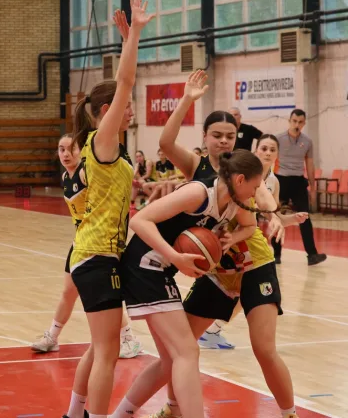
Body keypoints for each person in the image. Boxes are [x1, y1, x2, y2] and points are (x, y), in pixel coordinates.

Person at [110, 71, 305, 418]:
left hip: (253, 261)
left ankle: (289, 412)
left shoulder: (245, 171)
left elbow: (263, 200)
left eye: (230, 135)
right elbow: (166, 142)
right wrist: (187, 99)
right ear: (205, 137)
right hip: (216, 266)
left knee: (262, 349)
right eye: (217, 135)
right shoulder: (198, 170)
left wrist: (274, 215)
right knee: (180, 349)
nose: (224, 141)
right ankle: (172, 408)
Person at [115, 150, 261, 418]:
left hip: (161, 271)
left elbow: (250, 226)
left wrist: (230, 238)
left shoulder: (234, 203)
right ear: (240, 180)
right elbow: (139, 220)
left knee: (170, 361)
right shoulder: (199, 193)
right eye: (255, 186)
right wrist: (174, 257)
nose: (256, 192)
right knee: (187, 352)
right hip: (144, 266)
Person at [62, 2, 154, 418]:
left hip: (96, 254)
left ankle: (73, 413)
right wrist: (133, 36)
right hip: (97, 254)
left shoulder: (106, 148)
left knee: (100, 347)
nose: (131, 109)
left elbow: (123, 83)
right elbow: (125, 81)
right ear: (107, 112)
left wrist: (127, 42)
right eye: (125, 105)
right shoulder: (103, 139)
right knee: (108, 353)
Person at [31, 135, 142, 359]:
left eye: (71, 149)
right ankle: (52, 337)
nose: (65, 154)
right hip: (81, 241)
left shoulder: (86, 172)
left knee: (106, 297)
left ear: (82, 151)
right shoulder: (66, 176)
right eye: (61, 149)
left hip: (101, 242)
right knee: (68, 292)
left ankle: (129, 338)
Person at [273, 109, 327, 266]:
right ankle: (276, 255)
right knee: (277, 216)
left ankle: (312, 255)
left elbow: (310, 164)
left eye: (300, 122)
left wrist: (313, 187)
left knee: (305, 218)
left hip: (298, 181)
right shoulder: (278, 139)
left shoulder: (307, 142)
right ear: (289, 121)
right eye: (294, 121)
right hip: (281, 180)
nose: (297, 124)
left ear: (304, 123)